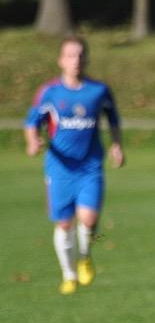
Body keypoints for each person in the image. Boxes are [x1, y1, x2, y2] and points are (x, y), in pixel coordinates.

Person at [24, 35, 125, 295]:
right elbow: (32, 122)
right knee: (64, 224)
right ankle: (68, 274)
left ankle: (85, 256)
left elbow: (113, 118)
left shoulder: (99, 90)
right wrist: (33, 141)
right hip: (58, 168)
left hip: (90, 166)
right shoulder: (50, 92)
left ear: (87, 59)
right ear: (60, 60)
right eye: (70, 55)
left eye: (80, 55)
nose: (75, 60)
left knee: (89, 219)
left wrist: (116, 145)